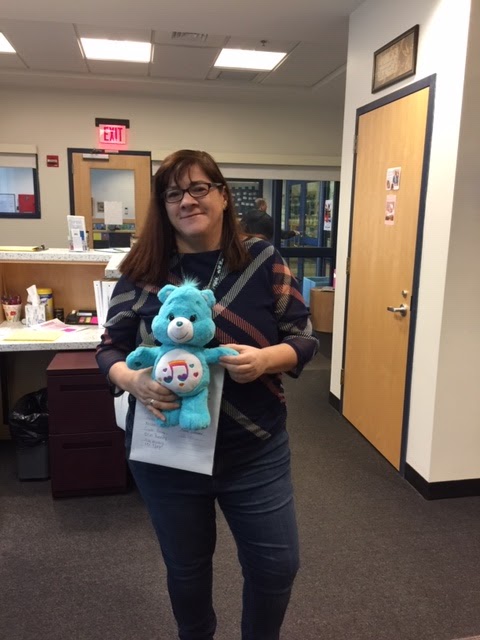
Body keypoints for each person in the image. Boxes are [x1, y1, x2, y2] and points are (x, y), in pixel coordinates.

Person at [96, 149, 318, 640]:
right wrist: (132, 380)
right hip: (167, 451)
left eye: (199, 188)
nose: (187, 201)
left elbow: (303, 337)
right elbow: (109, 347)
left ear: (222, 195)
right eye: (174, 193)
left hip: (254, 448)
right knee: (187, 569)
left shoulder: (262, 259)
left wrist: (266, 359)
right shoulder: (142, 267)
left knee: (276, 566)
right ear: (163, 204)